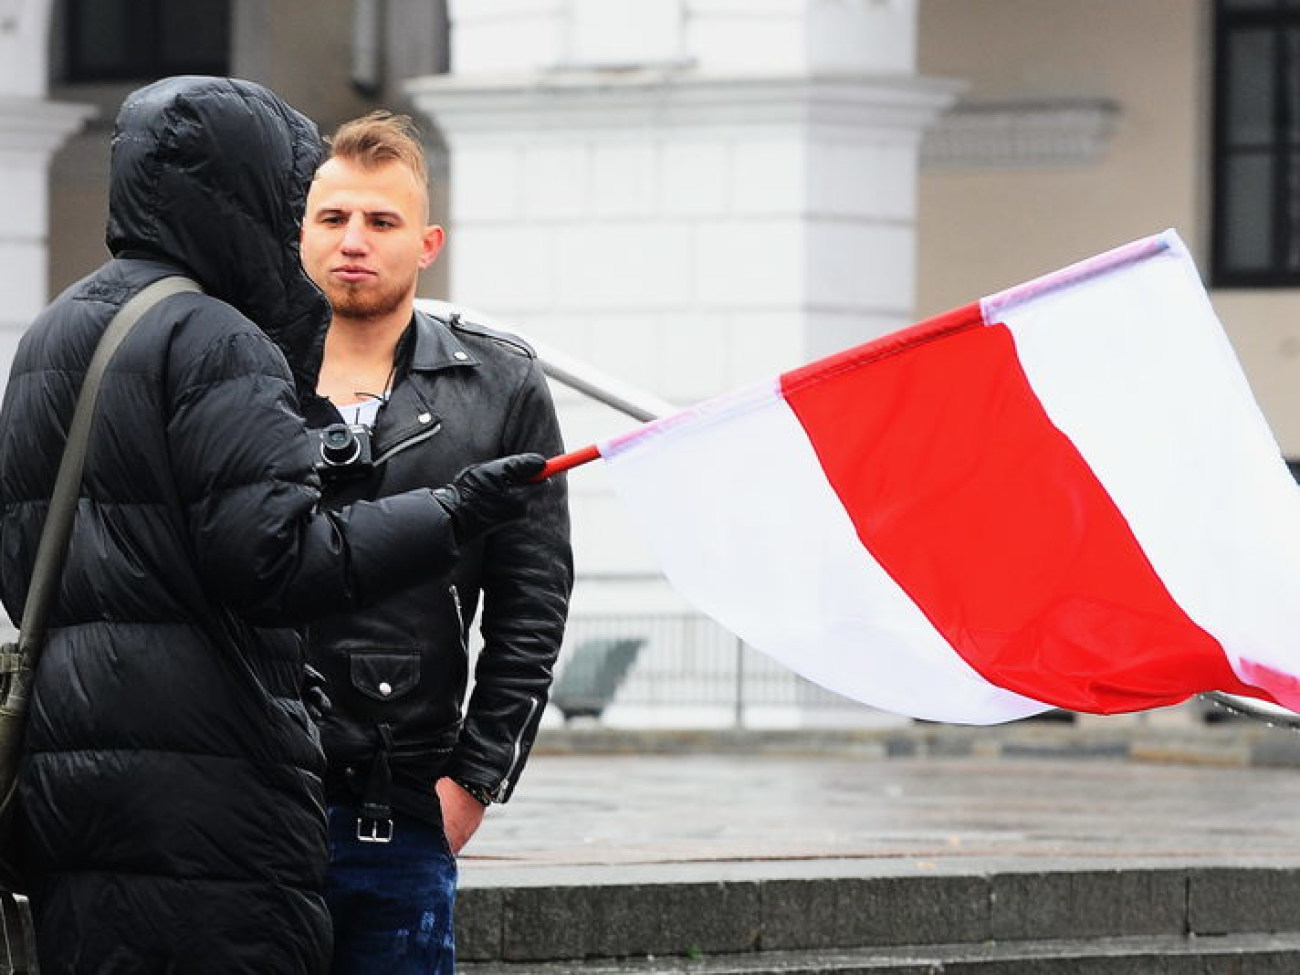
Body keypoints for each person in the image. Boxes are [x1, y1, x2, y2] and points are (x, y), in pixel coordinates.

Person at [0, 77, 545, 974]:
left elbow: (27, 551)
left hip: (74, 780)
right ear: (248, 193)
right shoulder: (217, 337)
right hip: (210, 790)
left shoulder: (54, 333)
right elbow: (277, 560)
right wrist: (450, 512)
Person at [299, 110, 572, 974]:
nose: (354, 241)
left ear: (427, 243)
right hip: (246, 798)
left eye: (381, 221)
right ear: (299, 233)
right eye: (333, 218)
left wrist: (473, 783)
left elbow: (534, 601)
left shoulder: (500, 384)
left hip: (404, 803)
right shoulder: (240, 365)